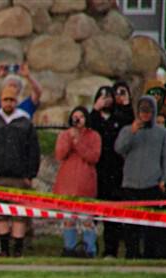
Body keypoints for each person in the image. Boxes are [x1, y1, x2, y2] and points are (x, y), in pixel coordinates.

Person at [0, 85, 40, 257]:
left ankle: (18, 251)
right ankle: (4, 250)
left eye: (12, 100)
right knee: (1, 215)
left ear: (16, 102)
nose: (8, 103)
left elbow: (33, 152)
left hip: (19, 178)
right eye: (5, 99)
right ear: (1, 101)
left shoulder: (25, 125)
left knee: (19, 215)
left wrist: (30, 175)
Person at [114, 95, 166, 259]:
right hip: (130, 185)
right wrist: (131, 132)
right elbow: (119, 149)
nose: (145, 115)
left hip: (152, 185)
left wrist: (164, 179)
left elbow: (165, 158)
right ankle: (132, 255)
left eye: (148, 111)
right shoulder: (127, 130)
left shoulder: (161, 133)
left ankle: (152, 255)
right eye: (142, 111)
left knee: (152, 227)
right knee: (131, 225)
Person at [89, 85, 132, 258]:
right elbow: (87, 127)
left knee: (112, 215)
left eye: (109, 96)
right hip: (95, 173)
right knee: (91, 215)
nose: (106, 99)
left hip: (115, 173)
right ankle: (88, 248)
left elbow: (131, 127)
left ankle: (110, 250)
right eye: (102, 96)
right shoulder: (94, 118)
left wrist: (126, 104)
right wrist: (95, 109)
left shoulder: (119, 118)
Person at [54, 107, 102, 257]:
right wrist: (70, 138)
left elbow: (93, 157)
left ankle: (89, 250)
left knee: (87, 220)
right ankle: (70, 248)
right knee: (68, 220)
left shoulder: (94, 136)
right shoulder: (64, 135)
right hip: (67, 184)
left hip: (86, 184)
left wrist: (78, 142)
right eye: (75, 117)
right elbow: (60, 154)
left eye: (81, 116)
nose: (78, 120)